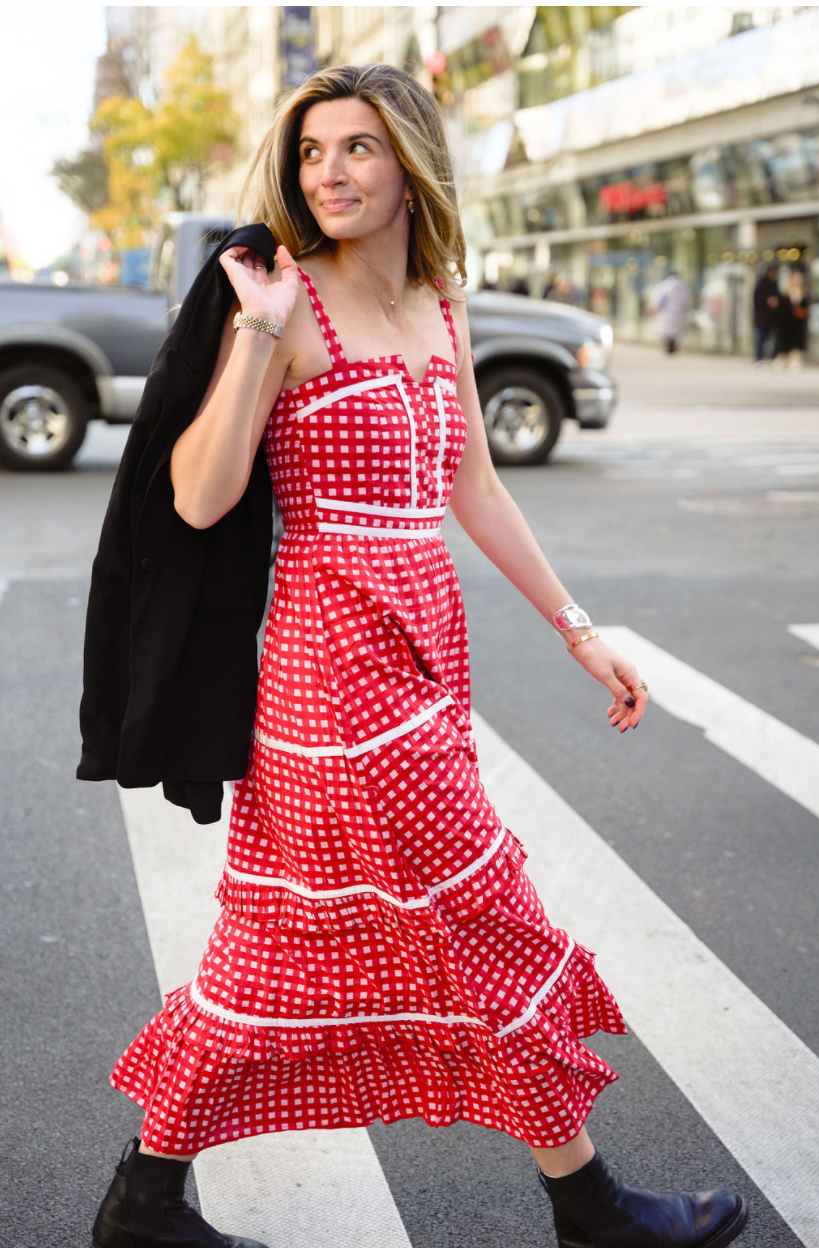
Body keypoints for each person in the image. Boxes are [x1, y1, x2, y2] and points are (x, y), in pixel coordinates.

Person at [89, 64, 748, 1248]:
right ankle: (589, 1206)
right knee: (484, 912)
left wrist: (578, 631)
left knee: (278, 945)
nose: (329, 173)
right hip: (328, 669)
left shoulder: (446, 305)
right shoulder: (289, 303)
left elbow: (473, 485)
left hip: (426, 658)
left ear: (409, 165)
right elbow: (195, 500)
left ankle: (143, 1198)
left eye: (357, 148)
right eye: (311, 153)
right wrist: (254, 329)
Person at [775, 269, 809, 369]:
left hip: (798, 323)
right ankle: (782, 358)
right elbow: (782, 308)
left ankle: (795, 359)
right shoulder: (785, 293)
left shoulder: (804, 293)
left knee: (796, 342)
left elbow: (805, 308)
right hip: (786, 323)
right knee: (785, 341)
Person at [654, 270, 690, 353]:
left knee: (668, 330)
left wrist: (659, 308)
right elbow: (687, 300)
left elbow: (661, 299)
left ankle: (669, 347)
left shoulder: (665, 285)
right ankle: (673, 347)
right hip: (679, 312)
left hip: (668, 311)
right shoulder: (682, 286)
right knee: (675, 331)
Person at [753, 262, 780, 363]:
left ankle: (771, 356)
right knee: (760, 338)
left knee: (771, 338)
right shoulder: (761, 284)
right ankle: (759, 358)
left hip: (772, 317)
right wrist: (767, 301)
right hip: (761, 317)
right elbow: (757, 298)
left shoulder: (775, 284)